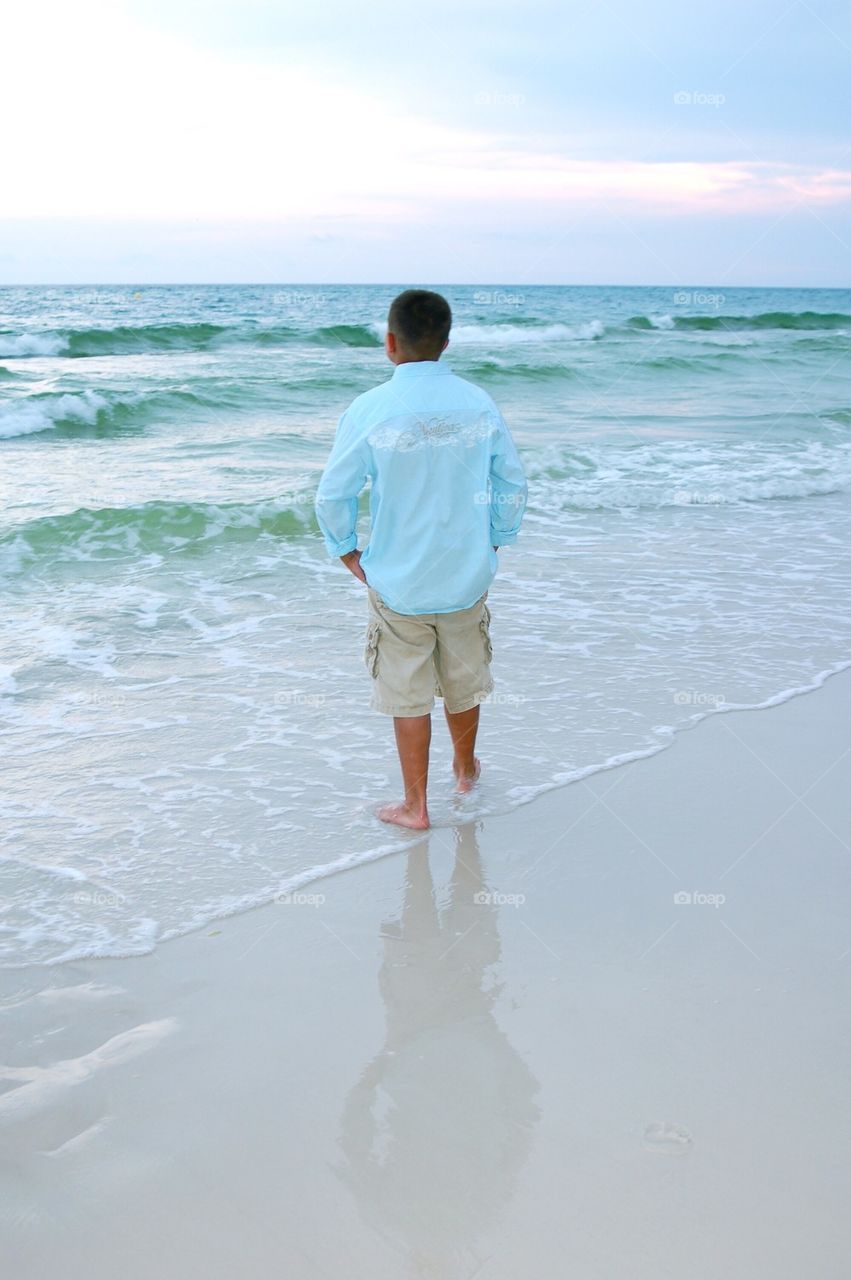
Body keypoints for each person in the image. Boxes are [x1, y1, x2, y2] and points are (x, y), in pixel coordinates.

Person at [315, 289, 527, 830]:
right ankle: (463, 769)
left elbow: (333, 494)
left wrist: (346, 551)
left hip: (398, 580)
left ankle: (415, 806)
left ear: (389, 343)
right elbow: (510, 482)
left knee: (408, 693)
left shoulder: (369, 409)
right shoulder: (478, 402)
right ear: (447, 343)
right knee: (463, 675)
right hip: (465, 572)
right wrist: (497, 537)